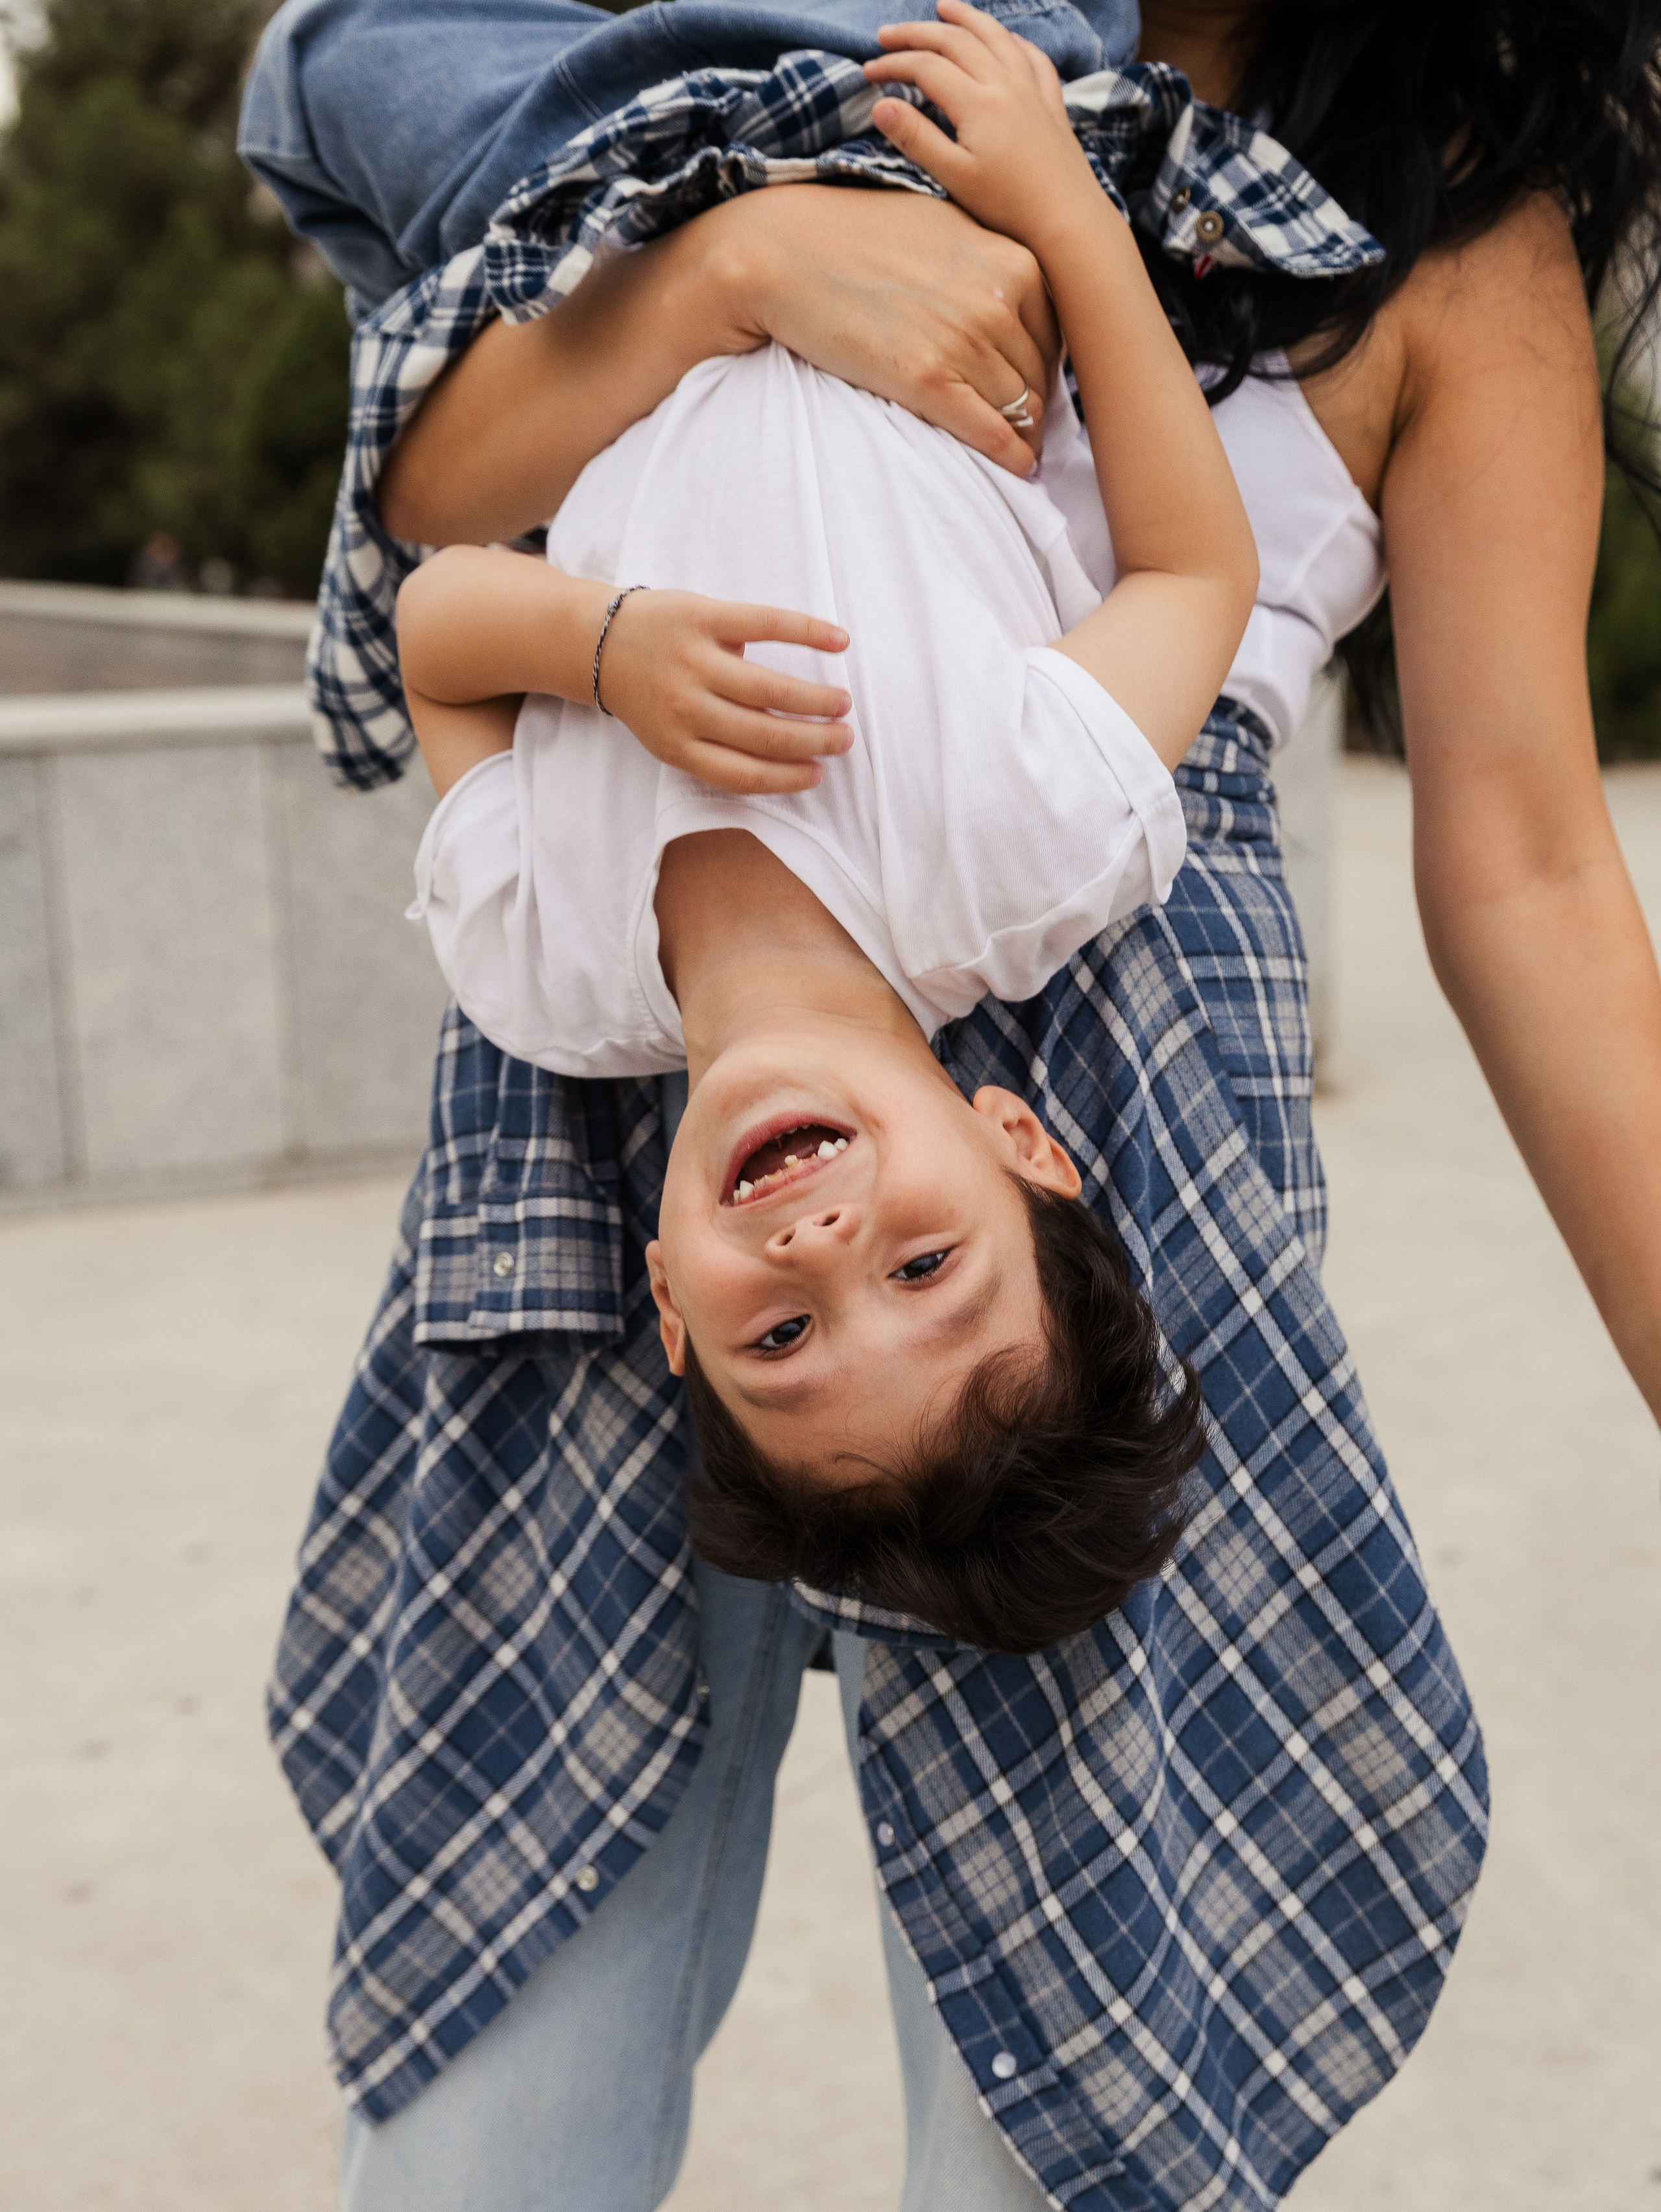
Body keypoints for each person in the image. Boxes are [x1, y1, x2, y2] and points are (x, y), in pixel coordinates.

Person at [237, 1, 1660, 2206]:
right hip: (624, 1068)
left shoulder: (1449, 219)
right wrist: (738, 264)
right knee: (512, 2037)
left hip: (1117, 1158)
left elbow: (1536, 862)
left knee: (1059, 2089)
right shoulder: (821, 48)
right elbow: (437, 490)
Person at [394, 17, 1261, 1641]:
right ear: (1022, 1149)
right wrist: (1066, 206)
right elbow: (1193, 579)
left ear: (666, 1304)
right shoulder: (1019, 853)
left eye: (778, 1341)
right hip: (886, 114)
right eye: (927, 1269)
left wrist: (598, 645)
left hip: (574, 207)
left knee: (335, 81)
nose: (820, 1246)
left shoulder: (543, 973)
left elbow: (434, 615)